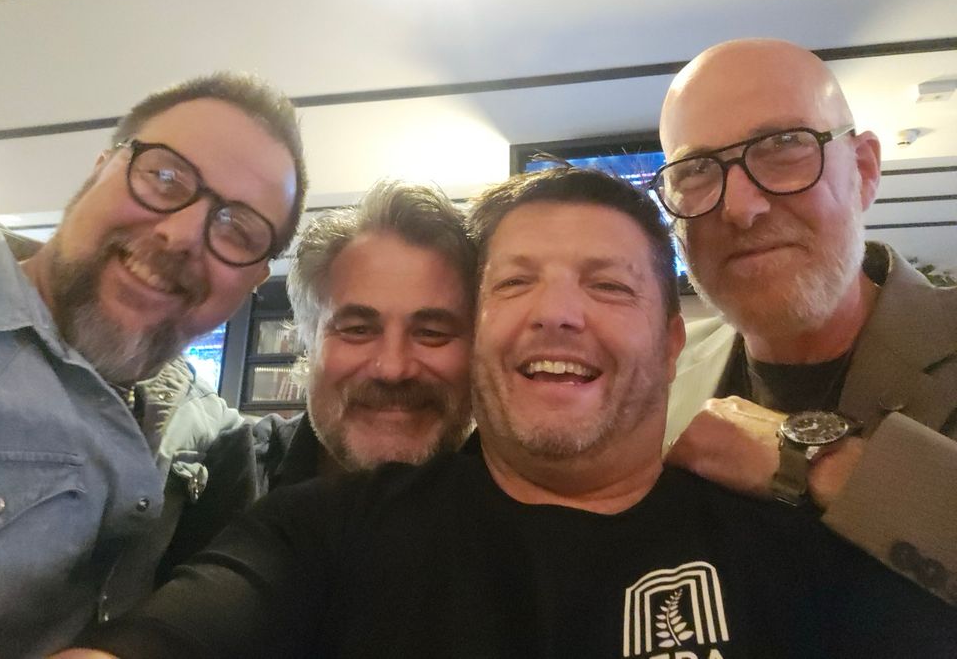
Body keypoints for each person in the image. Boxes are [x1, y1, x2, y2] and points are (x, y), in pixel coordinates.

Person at [54, 169, 956, 659]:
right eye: (516, 282)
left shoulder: (799, 548)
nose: (556, 312)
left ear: (672, 341)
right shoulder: (315, 535)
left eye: (608, 286)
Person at [0, 71, 307, 659]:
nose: (180, 235)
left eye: (239, 229)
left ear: (253, 281)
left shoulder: (210, 434)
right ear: (99, 169)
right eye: (165, 178)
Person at [655, 38, 957, 605]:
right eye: (695, 171)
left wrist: (812, 462)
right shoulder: (658, 375)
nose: (741, 207)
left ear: (864, 170)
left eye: (784, 145)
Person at [255, 180, 476, 487]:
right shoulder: (226, 476)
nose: (392, 369)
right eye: (357, 330)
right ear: (308, 342)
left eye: (432, 332)